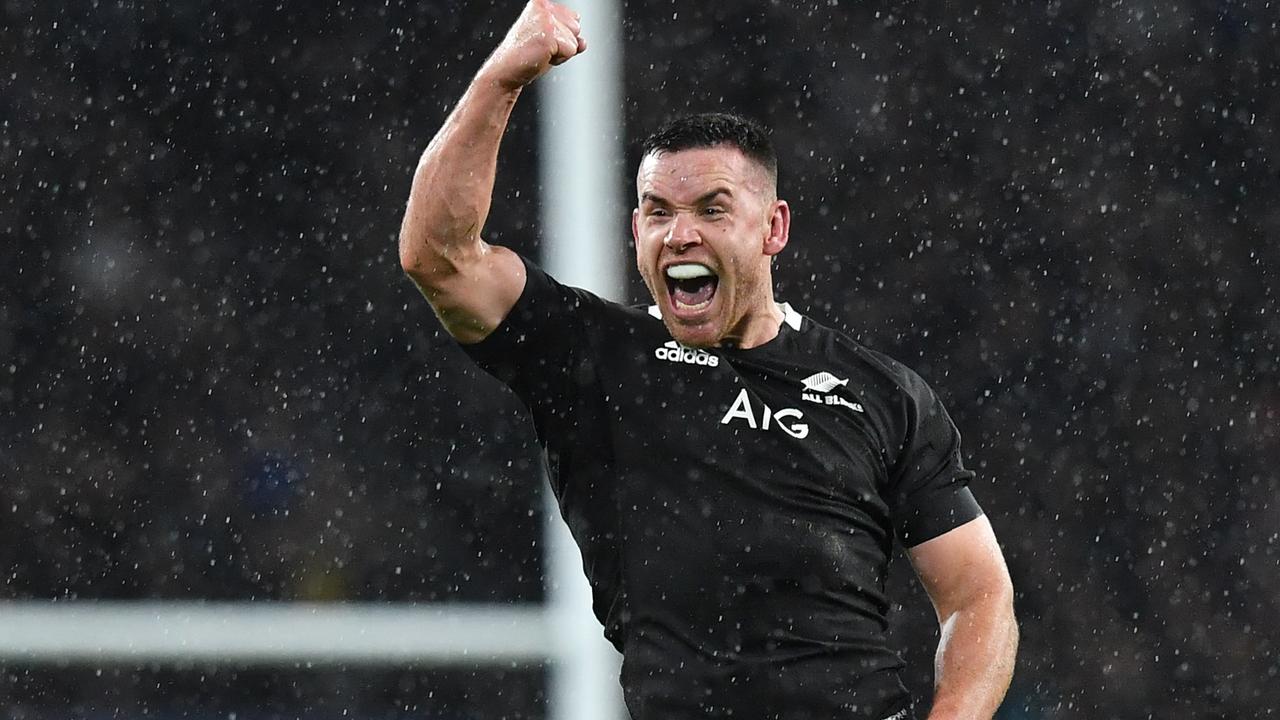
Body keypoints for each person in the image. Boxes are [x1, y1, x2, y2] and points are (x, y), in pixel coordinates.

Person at [398, 2, 1018, 718]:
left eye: (713, 210)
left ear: (773, 228)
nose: (680, 233)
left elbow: (978, 594)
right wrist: (502, 79)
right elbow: (438, 258)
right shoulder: (596, 357)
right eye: (658, 212)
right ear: (635, 229)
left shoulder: (884, 395)